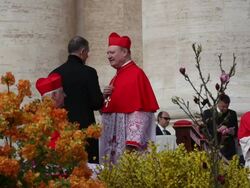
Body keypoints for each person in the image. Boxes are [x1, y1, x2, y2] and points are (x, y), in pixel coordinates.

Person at [99, 32, 159, 164]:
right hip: (113, 145)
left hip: (128, 148)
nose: (108, 56)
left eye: (112, 53)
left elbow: (141, 111)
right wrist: (103, 98)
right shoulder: (115, 77)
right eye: (108, 53)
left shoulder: (136, 74)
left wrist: (132, 142)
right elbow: (108, 109)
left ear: (125, 52)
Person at [50, 36, 104, 163]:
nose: (87, 56)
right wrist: (103, 96)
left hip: (62, 131)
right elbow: (96, 103)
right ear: (82, 51)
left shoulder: (55, 73)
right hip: (85, 131)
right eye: (87, 53)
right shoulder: (89, 72)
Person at [203, 94, 238, 160]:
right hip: (214, 148)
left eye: (227, 107)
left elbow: (236, 131)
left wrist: (229, 130)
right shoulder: (208, 113)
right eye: (223, 106)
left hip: (229, 149)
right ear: (218, 103)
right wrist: (218, 131)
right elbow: (206, 131)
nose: (225, 109)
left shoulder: (232, 114)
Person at [36, 73, 65, 149]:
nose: (65, 95)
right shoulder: (48, 119)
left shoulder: (39, 115)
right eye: (62, 92)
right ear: (54, 95)